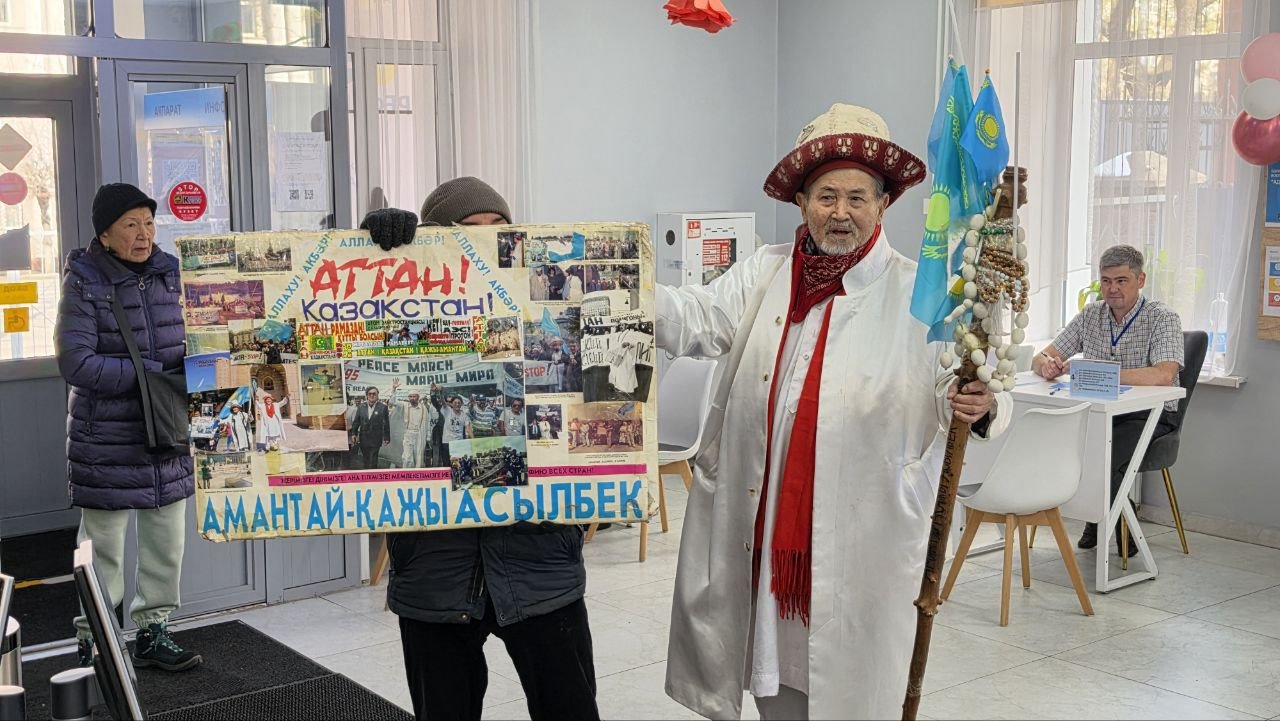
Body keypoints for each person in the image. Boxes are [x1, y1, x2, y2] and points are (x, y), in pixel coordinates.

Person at [657, 104, 1011, 720]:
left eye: (856, 197)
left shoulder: (919, 292)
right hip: (764, 529)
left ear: (883, 205)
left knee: (850, 688)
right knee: (771, 673)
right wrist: (617, 286)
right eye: (825, 196)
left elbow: (956, 385)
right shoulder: (766, 272)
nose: (840, 212)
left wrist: (977, 405)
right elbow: (697, 318)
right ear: (801, 203)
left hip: (860, 539)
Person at [360, 176, 598, 721]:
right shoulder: (406, 311)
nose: (487, 240)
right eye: (469, 231)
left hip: (539, 561)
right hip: (436, 570)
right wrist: (372, 250)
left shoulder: (542, 308)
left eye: (498, 228)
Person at [55, 183, 201, 672]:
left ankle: (154, 630)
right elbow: (76, 362)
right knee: (103, 548)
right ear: (105, 234)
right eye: (131, 225)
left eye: (150, 223)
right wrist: (148, 378)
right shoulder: (84, 281)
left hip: (168, 427)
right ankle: (94, 637)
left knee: (166, 539)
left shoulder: (172, 274)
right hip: (107, 438)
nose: (144, 234)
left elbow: (195, 338)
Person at [1032, 244, 1183, 557]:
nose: (1112, 289)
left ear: (1140, 280)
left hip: (1150, 414)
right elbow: (1043, 355)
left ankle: (1123, 533)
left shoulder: (1162, 317)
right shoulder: (1091, 315)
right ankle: (1097, 518)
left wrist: (1100, 374)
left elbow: (1163, 375)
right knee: (1061, 448)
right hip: (1100, 412)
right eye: (1106, 281)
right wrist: (1046, 364)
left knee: (1104, 459)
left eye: (1121, 281)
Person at [389, 378, 439, 469]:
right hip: (408, 434)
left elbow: (427, 422)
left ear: (418, 397)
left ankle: (418, 475)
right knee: (407, 457)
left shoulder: (423, 408)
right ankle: (407, 474)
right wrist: (394, 389)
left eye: (414, 396)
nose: (412, 398)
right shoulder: (405, 405)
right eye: (410, 396)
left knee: (419, 457)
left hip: (420, 434)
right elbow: (392, 402)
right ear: (408, 398)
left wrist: (428, 437)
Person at [349, 385, 391, 469]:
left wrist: (387, 437)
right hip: (364, 438)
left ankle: (373, 473)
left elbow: (386, 423)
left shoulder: (383, 407)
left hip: (376, 438)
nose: (372, 395)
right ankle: (367, 473)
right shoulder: (361, 407)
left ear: (377, 395)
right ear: (367, 395)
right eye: (370, 394)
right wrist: (354, 434)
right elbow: (356, 422)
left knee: (373, 459)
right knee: (366, 459)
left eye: (374, 394)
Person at [254, 386, 289, 451]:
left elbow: (282, 402)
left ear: (271, 400)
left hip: (274, 422)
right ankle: (268, 446)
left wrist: (286, 397)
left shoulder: (276, 405)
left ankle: (275, 444)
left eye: (269, 399)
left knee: (275, 434)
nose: (268, 400)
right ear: (265, 401)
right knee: (268, 434)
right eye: (267, 400)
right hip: (267, 423)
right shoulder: (263, 406)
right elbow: (258, 405)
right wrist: (256, 399)